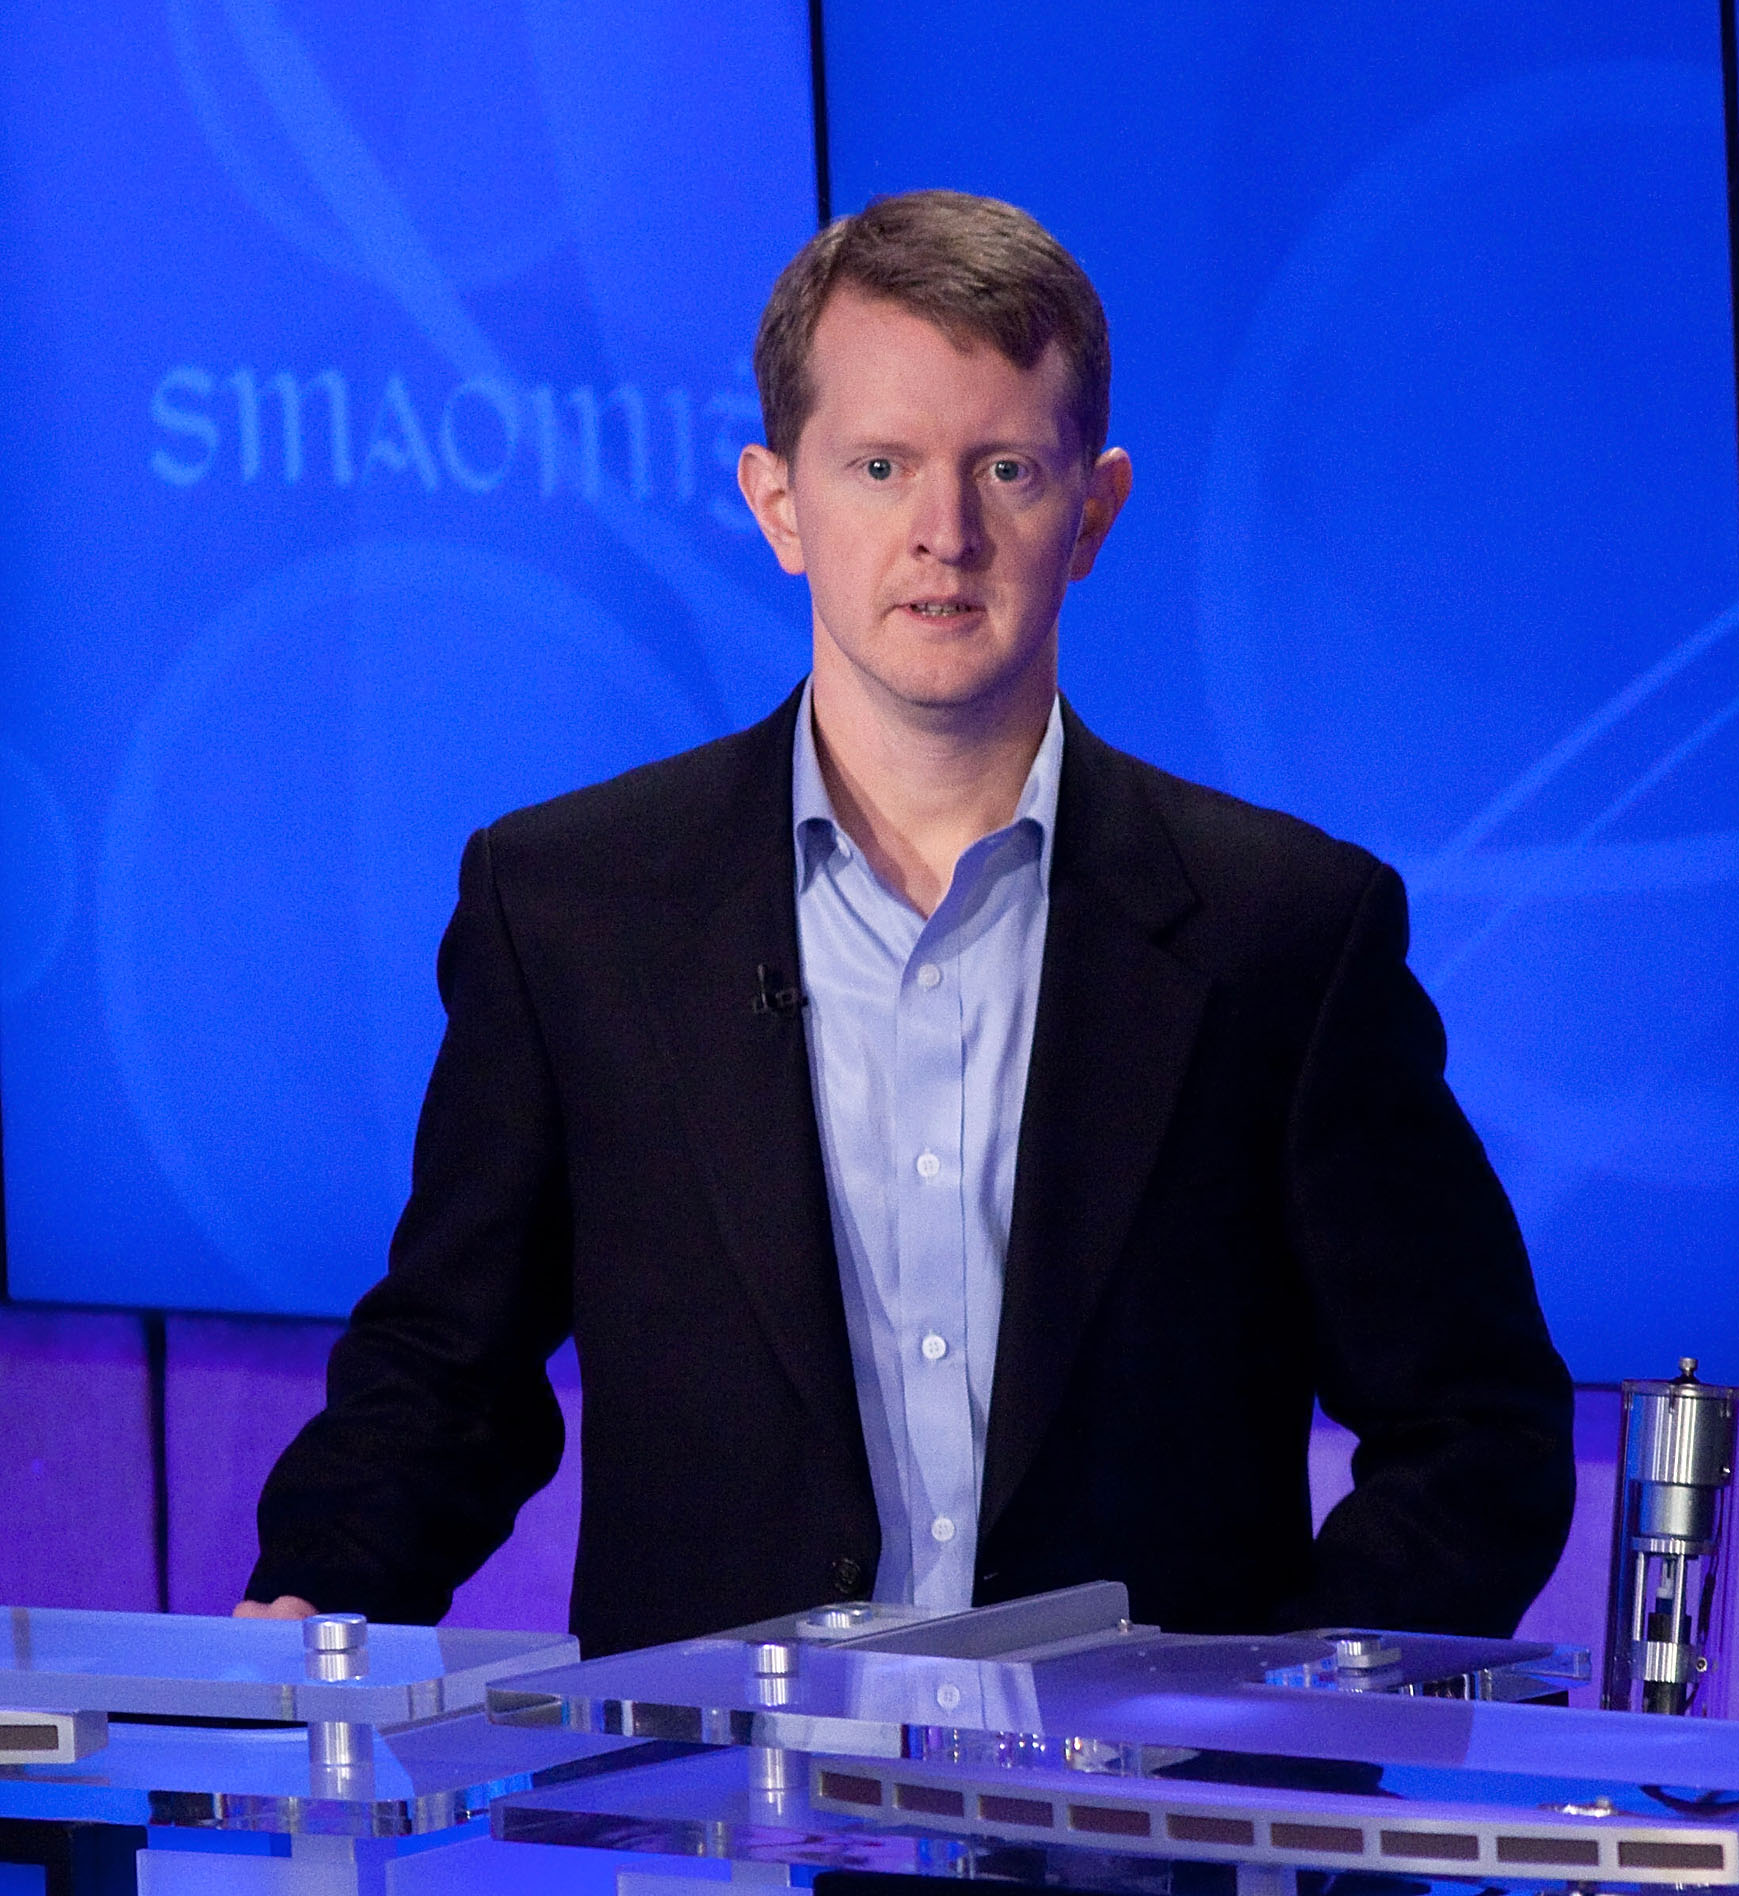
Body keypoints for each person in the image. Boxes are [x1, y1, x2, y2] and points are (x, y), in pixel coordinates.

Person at [237, 191, 1575, 1656]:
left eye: (1003, 467)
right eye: (880, 466)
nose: (944, 535)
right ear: (779, 502)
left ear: (1094, 511)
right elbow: (451, 1372)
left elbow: (1476, 1430)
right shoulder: (576, 911)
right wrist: (309, 1607)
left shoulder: (1283, 935)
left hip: (1138, 1852)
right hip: (717, 1833)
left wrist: (1268, 1729)